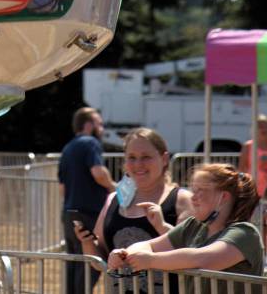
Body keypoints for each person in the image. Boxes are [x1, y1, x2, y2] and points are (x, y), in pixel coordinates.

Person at [109, 164, 263, 283]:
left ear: (223, 197)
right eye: (193, 189)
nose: (193, 197)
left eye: (201, 190)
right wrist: (125, 254)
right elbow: (149, 245)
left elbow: (202, 260)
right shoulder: (193, 226)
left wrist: (150, 260)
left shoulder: (245, 233)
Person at [74, 128, 194, 278]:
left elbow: (192, 253)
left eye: (146, 157)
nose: (138, 164)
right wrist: (87, 242)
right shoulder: (113, 199)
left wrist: (162, 227)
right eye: (131, 157)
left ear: (164, 159)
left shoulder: (182, 200)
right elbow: (100, 262)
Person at [59, 107, 115, 293]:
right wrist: (113, 188)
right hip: (90, 214)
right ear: (89, 125)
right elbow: (98, 172)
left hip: (69, 213)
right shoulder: (91, 143)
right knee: (91, 264)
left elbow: (62, 188)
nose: (102, 128)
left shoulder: (67, 148)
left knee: (74, 262)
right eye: (99, 123)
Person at [238, 114, 267, 197]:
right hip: (253, 185)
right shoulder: (248, 146)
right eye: (260, 126)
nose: (263, 129)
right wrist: (243, 185)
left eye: (265, 126)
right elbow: (242, 168)